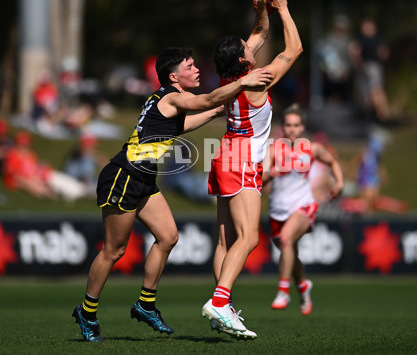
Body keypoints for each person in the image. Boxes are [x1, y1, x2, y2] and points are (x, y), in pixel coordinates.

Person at [71, 47, 273, 343]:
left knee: (168, 237)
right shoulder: (171, 95)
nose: (196, 70)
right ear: (173, 75)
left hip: (143, 180)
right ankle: (87, 312)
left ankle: (145, 304)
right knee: (114, 251)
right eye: (190, 66)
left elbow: (184, 123)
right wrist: (241, 82)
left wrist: (217, 112)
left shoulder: (168, 101)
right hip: (123, 177)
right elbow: (206, 98)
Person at [202, 0, 302, 339]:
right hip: (242, 158)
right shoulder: (257, 79)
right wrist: (285, 7)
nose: (252, 44)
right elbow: (295, 48)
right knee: (249, 239)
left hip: (223, 154)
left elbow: (260, 31)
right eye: (247, 48)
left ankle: (222, 306)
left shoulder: (230, 75)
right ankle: (219, 301)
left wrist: (263, 7)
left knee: (225, 241)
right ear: (245, 59)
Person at [264, 104, 343, 315]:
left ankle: (283, 291)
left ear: (302, 127)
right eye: (288, 125)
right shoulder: (273, 150)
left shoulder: (312, 148)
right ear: (283, 127)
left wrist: (340, 183)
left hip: (303, 205)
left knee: (287, 240)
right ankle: (303, 286)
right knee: (290, 252)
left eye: (296, 125)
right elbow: (260, 179)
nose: (292, 130)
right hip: (278, 209)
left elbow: (332, 161)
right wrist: (271, 173)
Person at [3, 131, 90, 201]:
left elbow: (33, 168)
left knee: (56, 178)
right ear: (17, 144)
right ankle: (79, 192)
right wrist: (33, 183)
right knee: (53, 181)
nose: (25, 148)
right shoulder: (13, 155)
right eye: (22, 145)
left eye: (26, 145)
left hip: (40, 176)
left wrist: (41, 167)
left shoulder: (30, 154)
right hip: (30, 180)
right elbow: (14, 175)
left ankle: (80, 191)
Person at [350, 18, 390, 122]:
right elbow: (354, 52)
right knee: (367, 95)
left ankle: (382, 115)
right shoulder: (360, 38)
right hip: (363, 68)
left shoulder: (377, 39)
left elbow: (384, 53)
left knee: (376, 91)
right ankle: (374, 117)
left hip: (373, 67)